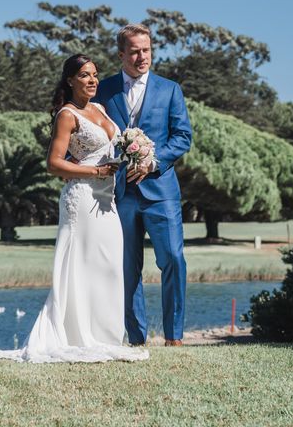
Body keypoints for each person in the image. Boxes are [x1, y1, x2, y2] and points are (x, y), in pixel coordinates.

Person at [0, 54, 149, 363]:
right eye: (85, 75)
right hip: (82, 198)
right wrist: (96, 172)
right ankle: (76, 335)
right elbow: (54, 163)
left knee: (109, 265)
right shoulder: (67, 114)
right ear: (70, 80)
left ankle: (106, 335)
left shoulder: (100, 109)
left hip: (107, 200)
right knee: (81, 265)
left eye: (95, 75)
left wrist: (136, 152)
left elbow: (112, 148)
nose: (92, 80)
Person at [94, 24, 192, 346]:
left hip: (161, 192)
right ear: (121, 54)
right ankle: (137, 339)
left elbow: (182, 137)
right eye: (134, 51)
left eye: (146, 50)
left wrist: (153, 161)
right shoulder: (104, 91)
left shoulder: (170, 90)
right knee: (127, 268)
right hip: (119, 194)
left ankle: (174, 337)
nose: (141, 57)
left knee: (174, 260)